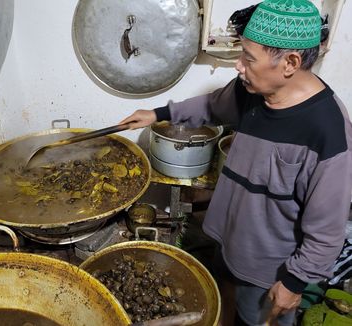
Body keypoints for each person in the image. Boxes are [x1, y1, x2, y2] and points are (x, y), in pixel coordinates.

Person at [120, 0, 352, 325]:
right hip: (228, 240)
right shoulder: (253, 92)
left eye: (249, 58)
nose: (238, 66)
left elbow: (327, 232)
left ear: (290, 62)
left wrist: (295, 281)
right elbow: (213, 105)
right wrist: (158, 114)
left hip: (268, 270)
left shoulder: (327, 131)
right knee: (222, 305)